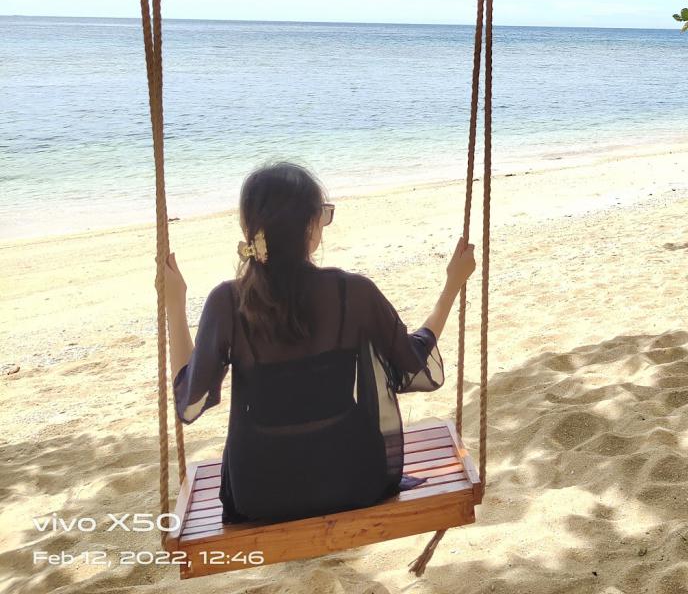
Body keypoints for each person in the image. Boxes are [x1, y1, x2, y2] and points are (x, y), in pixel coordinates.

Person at [163, 161, 476, 523]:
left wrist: (174, 304)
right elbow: (415, 367)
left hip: (259, 493)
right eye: (323, 216)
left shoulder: (226, 303)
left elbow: (190, 401)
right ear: (311, 227)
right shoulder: (354, 292)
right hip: (354, 479)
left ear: (248, 228)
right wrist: (452, 285)